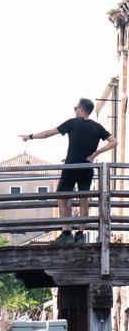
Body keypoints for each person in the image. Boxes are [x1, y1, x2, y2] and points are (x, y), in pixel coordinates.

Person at [20, 97, 118, 244]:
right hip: (87, 167)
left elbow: (48, 133)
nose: (75, 111)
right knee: (84, 200)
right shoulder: (97, 127)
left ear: (81, 110)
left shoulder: (73, 123)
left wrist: (30, 136)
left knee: (61, 197)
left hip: (71, 167)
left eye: (76, 108)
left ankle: (66, 232)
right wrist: (95, 154)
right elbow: (114, 142)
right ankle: (80, 234)